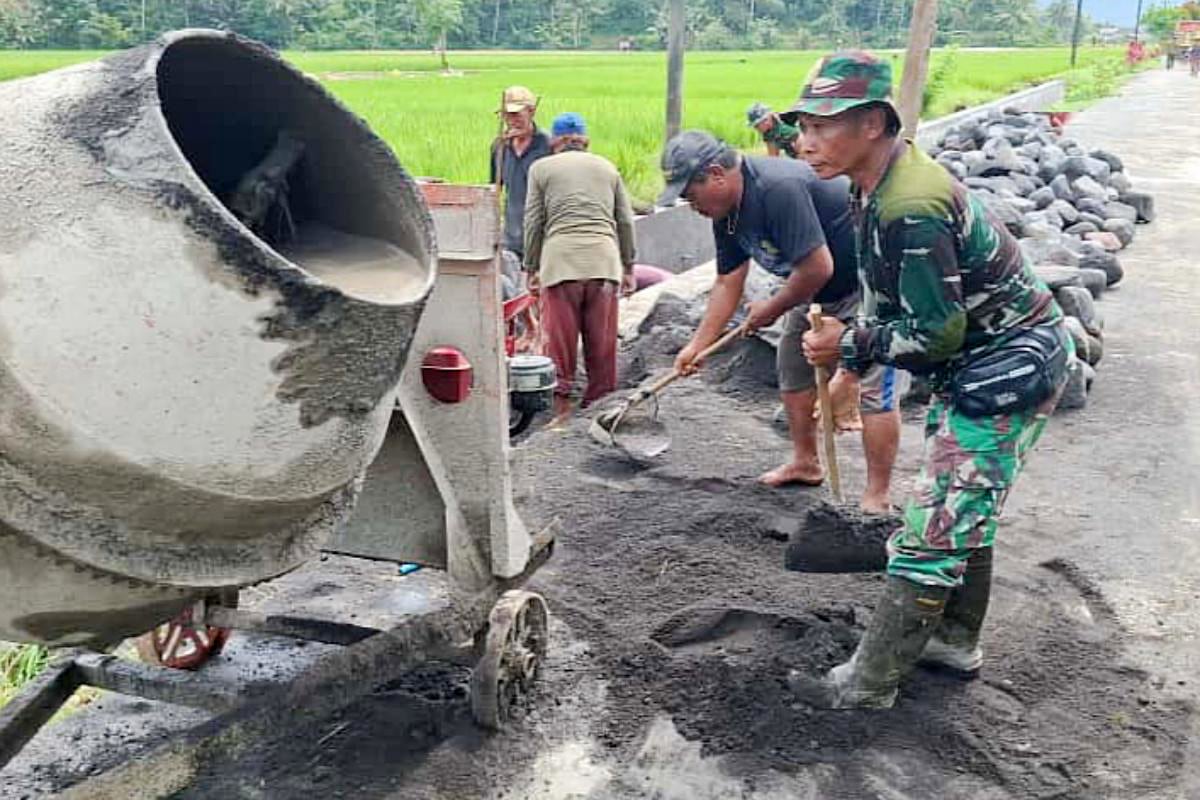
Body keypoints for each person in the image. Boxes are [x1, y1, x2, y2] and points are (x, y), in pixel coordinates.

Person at [784, 51, 1071, 709]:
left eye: (824, 126)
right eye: (804, 125)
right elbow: (888, 296)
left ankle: (867, 686)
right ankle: (953, 640)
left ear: (877, 125)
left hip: (1006, 365)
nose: (806, 140)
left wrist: (847, 342)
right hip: (976, 364)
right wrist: (852, 367)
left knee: (933, 528)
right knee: (961, 509)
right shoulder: (871, 184)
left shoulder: (909, 205)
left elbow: (935, 332)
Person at [661, 129, 905, 512]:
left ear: (716, 174)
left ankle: (877, 496)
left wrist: (771, 307)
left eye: (691, 195)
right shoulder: (726, 214)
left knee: (873, 390)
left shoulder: (777, 188)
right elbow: (728, 280)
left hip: (868, 288)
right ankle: (806, 462)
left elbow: (817, 267)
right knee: (792, 370)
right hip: (813, 295)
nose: (691, 205)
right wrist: (699, 345)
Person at [524, 112, 637, 424]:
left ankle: (561, 415)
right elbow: (625, 221)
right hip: (604, 264)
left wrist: (530, 266)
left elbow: (534, 221)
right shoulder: (607, 168)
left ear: (554, 141)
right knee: (602, 345)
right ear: (585, 139)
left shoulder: (541, 168)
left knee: (559, 343)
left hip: (561, 265)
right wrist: (628, 266)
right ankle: (601, 412)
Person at [490, 86, 552, 295]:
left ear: (532, 112)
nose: (511, 120)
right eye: (507, 115)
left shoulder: (548, 146)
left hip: (543, 236)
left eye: (516, 114)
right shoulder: (499, 147)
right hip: (511, 235)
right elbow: (494, 190)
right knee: (514, 293)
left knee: (543, 294)